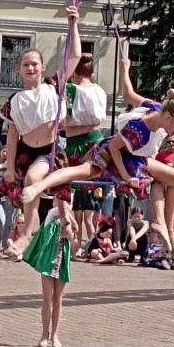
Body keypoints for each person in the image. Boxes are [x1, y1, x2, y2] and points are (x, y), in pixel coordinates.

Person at [22, 58, 174, 268]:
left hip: (138, 159)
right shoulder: (139, 128)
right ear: (167, 117)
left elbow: (128, 93)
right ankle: (39, 186)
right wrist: (127, 176)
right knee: (83, 171)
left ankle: (165, 227)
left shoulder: (156, 106)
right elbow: (114, 149)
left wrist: (125, 68)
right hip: (114, 154)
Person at [1, 6, 82, 257]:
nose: (30, 68)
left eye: (34, 64)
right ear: (19, 69)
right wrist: (9, 167)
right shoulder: (14, 100)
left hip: (50, 150)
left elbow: (74, 56)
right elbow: (13, 137)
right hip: (26, 152)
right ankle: (33, 232)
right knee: (34, 184)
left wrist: (73, 24)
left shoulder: (53, 87)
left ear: (43, 67)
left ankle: (29, 234)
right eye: (26, 65)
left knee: (37, 182)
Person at [64, 52, 108, 253]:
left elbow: (64, 116)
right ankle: (93, 242)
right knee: (94, 190)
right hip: (95, 140)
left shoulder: (70, 89)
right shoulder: (100, 90)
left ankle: (73, 238)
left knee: (69, 187)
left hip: (75, 141)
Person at [22, 205, 73, 347]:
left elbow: (71, 237)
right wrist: (65, 214)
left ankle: (55, 335)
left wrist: (69, 222)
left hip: (62, 261)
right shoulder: (52, 214)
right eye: (65, 201)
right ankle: (44, 334)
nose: (67, 205)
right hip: (48, 263)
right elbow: (57, 211)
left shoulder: (70, 218)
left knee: (58, 299)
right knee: (47, 298)